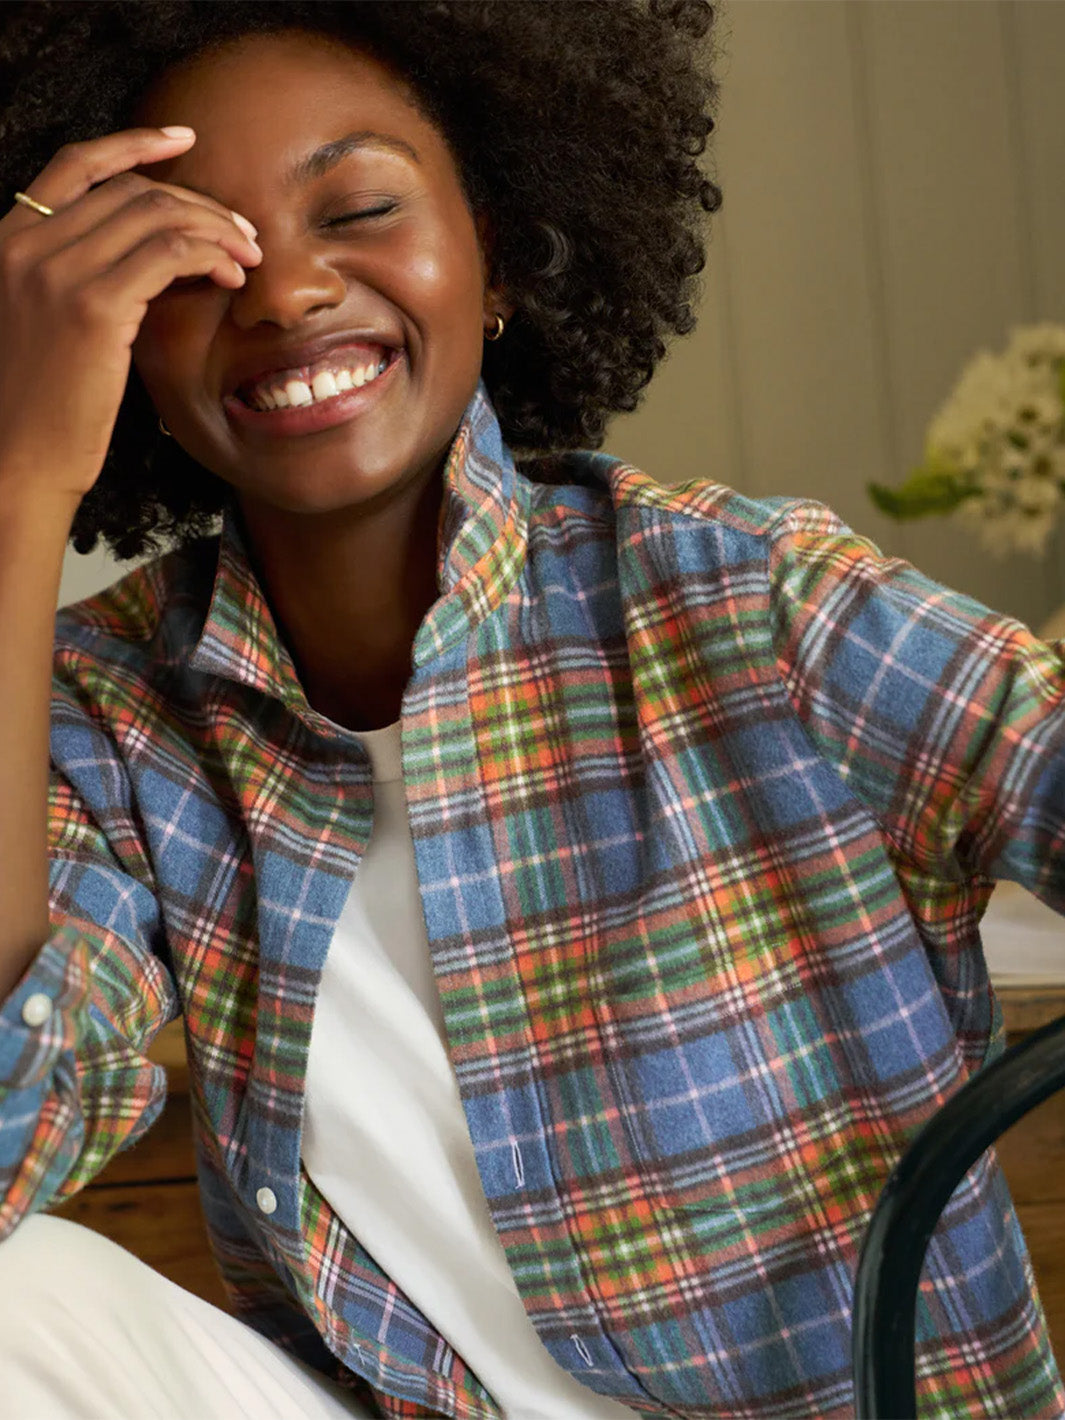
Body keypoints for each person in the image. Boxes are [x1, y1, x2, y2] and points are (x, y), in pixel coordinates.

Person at [0, 2, 1062, 1417]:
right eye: (188, 260)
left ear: (494, 250)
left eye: (358, 206)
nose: (282, 296)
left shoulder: (751, 599)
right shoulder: (107, 709)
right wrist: (16, 492)